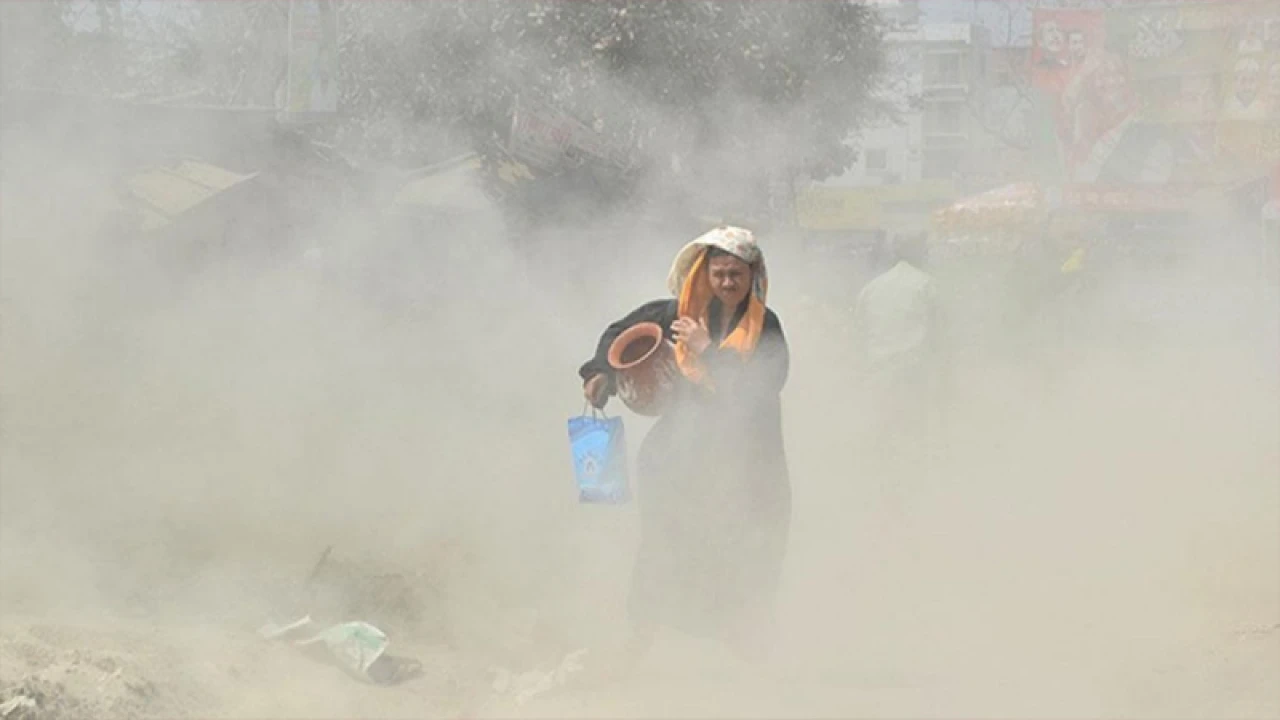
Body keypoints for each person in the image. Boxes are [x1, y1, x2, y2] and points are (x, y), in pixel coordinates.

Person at [578, 226, 791, 671]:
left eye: (736, 274)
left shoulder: (764, 326)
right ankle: (637, 641)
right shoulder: (677, 313)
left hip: (743, 464)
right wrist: (600, 371)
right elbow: (620, 332)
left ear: (753, 276)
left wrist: (707, 350)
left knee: (740, 554)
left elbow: (762, 386)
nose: (727, 283)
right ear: (704, 274)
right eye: (719, 274)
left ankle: (752, 652)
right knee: (661, 546)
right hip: (678, 457)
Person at [850, 232, 943, 513]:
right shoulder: (928, 285)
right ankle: (911, 497)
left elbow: (858, 334)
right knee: (912, 436)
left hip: (877, 374)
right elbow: (942, 335)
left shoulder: (872, 288)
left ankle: (884, 497)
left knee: (883, 438)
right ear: (921, 252)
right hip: (913, 375)